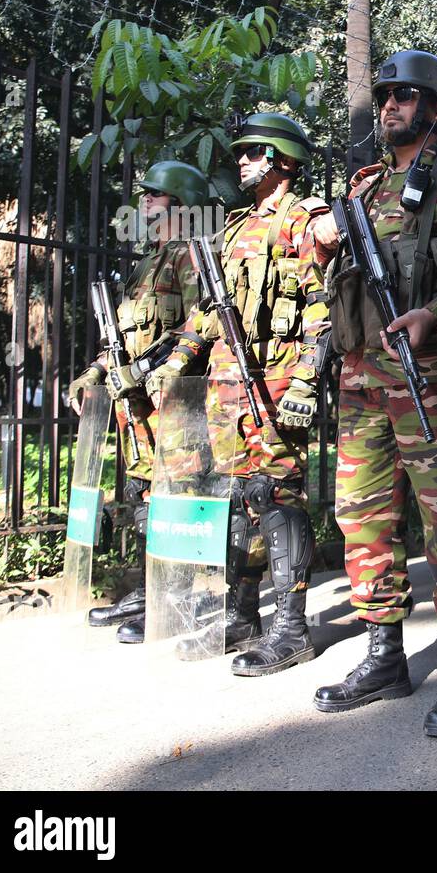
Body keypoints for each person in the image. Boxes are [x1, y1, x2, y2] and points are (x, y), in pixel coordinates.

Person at [309, 51, 437, 736]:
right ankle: (384, 655)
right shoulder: (362, 189)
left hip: (433, 381)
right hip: (361, 379)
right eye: (386, 93)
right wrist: (321, 242)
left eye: (406, 94)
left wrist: (435, 316)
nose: (390, 103)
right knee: (363, 517)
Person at [155, 111, 332, 672]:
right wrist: (176, 363)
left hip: (274, 383)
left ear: (282, 159)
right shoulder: (232, 229)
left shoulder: (304, 220)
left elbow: (324, 308)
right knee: (237, 499)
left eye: (253, 151)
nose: (241, 161)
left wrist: (307, 380)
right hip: (225, 385)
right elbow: (210, 311)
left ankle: (292, 627)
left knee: (276, 495)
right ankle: (243, 613)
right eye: (241, 152)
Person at [70, 161, 206, 642]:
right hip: (137, 405)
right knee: (145, 495)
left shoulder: (190, 256)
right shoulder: (147, 262)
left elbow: (200, 324)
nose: (145, 198)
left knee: (176, 495)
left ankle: (177, 599)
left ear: (182, 202)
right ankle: (153, 591)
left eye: (156, 193)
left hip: (173, 402)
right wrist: (95, 373)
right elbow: (125, 338)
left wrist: (159, 371)